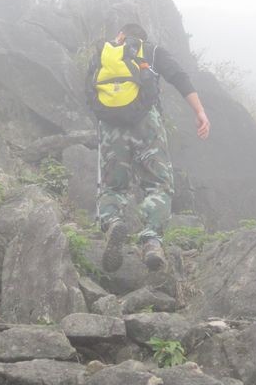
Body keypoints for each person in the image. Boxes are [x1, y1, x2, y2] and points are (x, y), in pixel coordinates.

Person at [85, 22, 210, 273]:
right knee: (158, 183)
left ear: (120, 35)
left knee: (113, 186)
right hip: (146, 124)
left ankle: (112, 222)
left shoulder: (103, 54)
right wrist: (199, 111)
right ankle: (152, 241)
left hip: (110, 126)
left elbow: (90, 91)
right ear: (142, 38)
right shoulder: (151, 51)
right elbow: (179, 77)